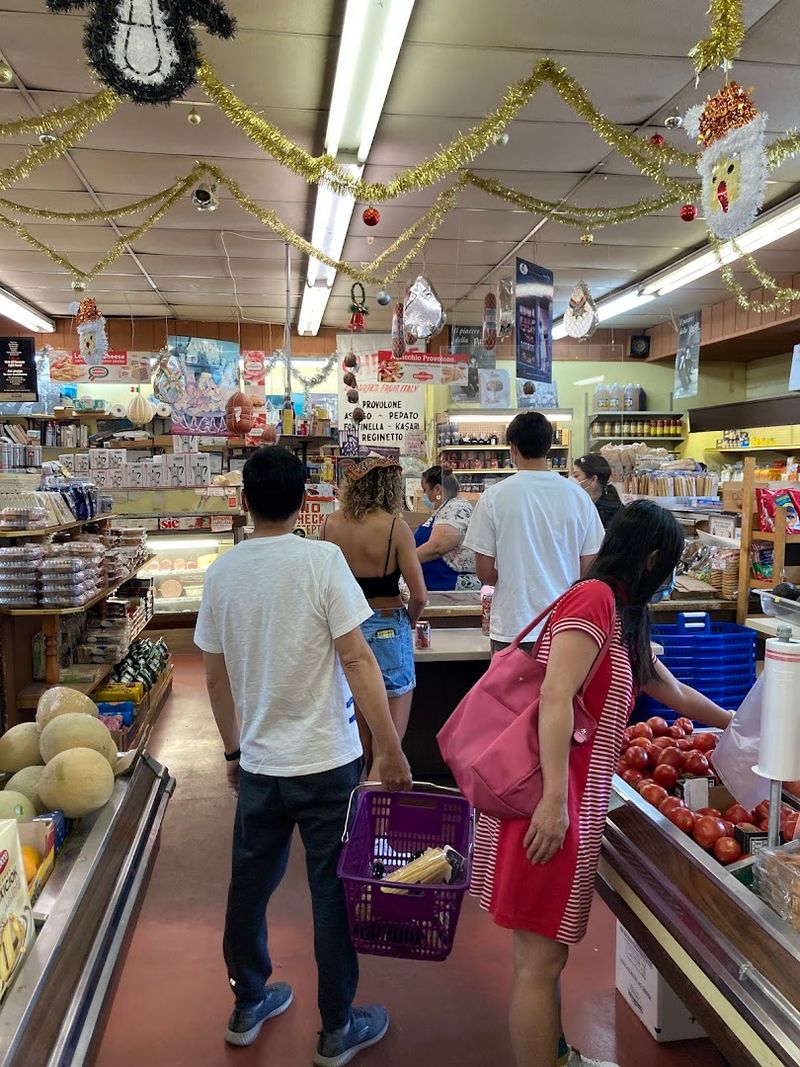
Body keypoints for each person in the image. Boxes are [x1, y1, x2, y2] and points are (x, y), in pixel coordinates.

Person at [469, 501, 733, 1067]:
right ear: (653, 558)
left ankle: (557, 1054)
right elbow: (555, 695)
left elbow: (670, 691)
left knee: (548, 956)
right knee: (538, 962)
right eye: (669, 567)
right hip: (547, 799)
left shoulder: (623, 613)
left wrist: (736, 726)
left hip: (572, 800)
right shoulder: (593, 599)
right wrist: (553, 803)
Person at [194, 446, 412, 1064]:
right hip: (327, 760)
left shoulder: (223, 573)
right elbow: (357, 658)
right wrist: (389, 747)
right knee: (332, 892)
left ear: (244, 501)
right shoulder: (321, 562)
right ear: (301, 503)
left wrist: (232, 749)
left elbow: (214, 676)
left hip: (261, 763)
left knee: (249, 886)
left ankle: (247, 1003)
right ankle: (337, 1027)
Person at [464, 411, 605, 652]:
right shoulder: (579, 497)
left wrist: (515, 579)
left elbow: (485, 573)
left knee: (510, 680)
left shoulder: (493, 497)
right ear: (549, 446)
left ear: (512, 448)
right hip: (566, 625)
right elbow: (590, 568)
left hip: (513, 625)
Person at [321, 455, 426, 771]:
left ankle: (355, 798)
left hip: (345, 630)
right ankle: (376, 801)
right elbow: (419, 595)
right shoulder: (396, 528)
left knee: (358, 743)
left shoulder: (329, 525)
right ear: (389, 488)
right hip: (387, 625)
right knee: (388, 745)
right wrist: (409, 620)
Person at [414, 465, 480, 591]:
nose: (424, 495)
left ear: (437, 489)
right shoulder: (444, 509)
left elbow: (437, 547)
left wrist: (404, 560)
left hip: (451, 586)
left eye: (425, 490)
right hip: (436, 584)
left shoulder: (456, 509)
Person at [572, 454, 623, 528]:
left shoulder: (611, 511)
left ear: (593, 479)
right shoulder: (581, 504)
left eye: (576, 476)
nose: (572, 480)